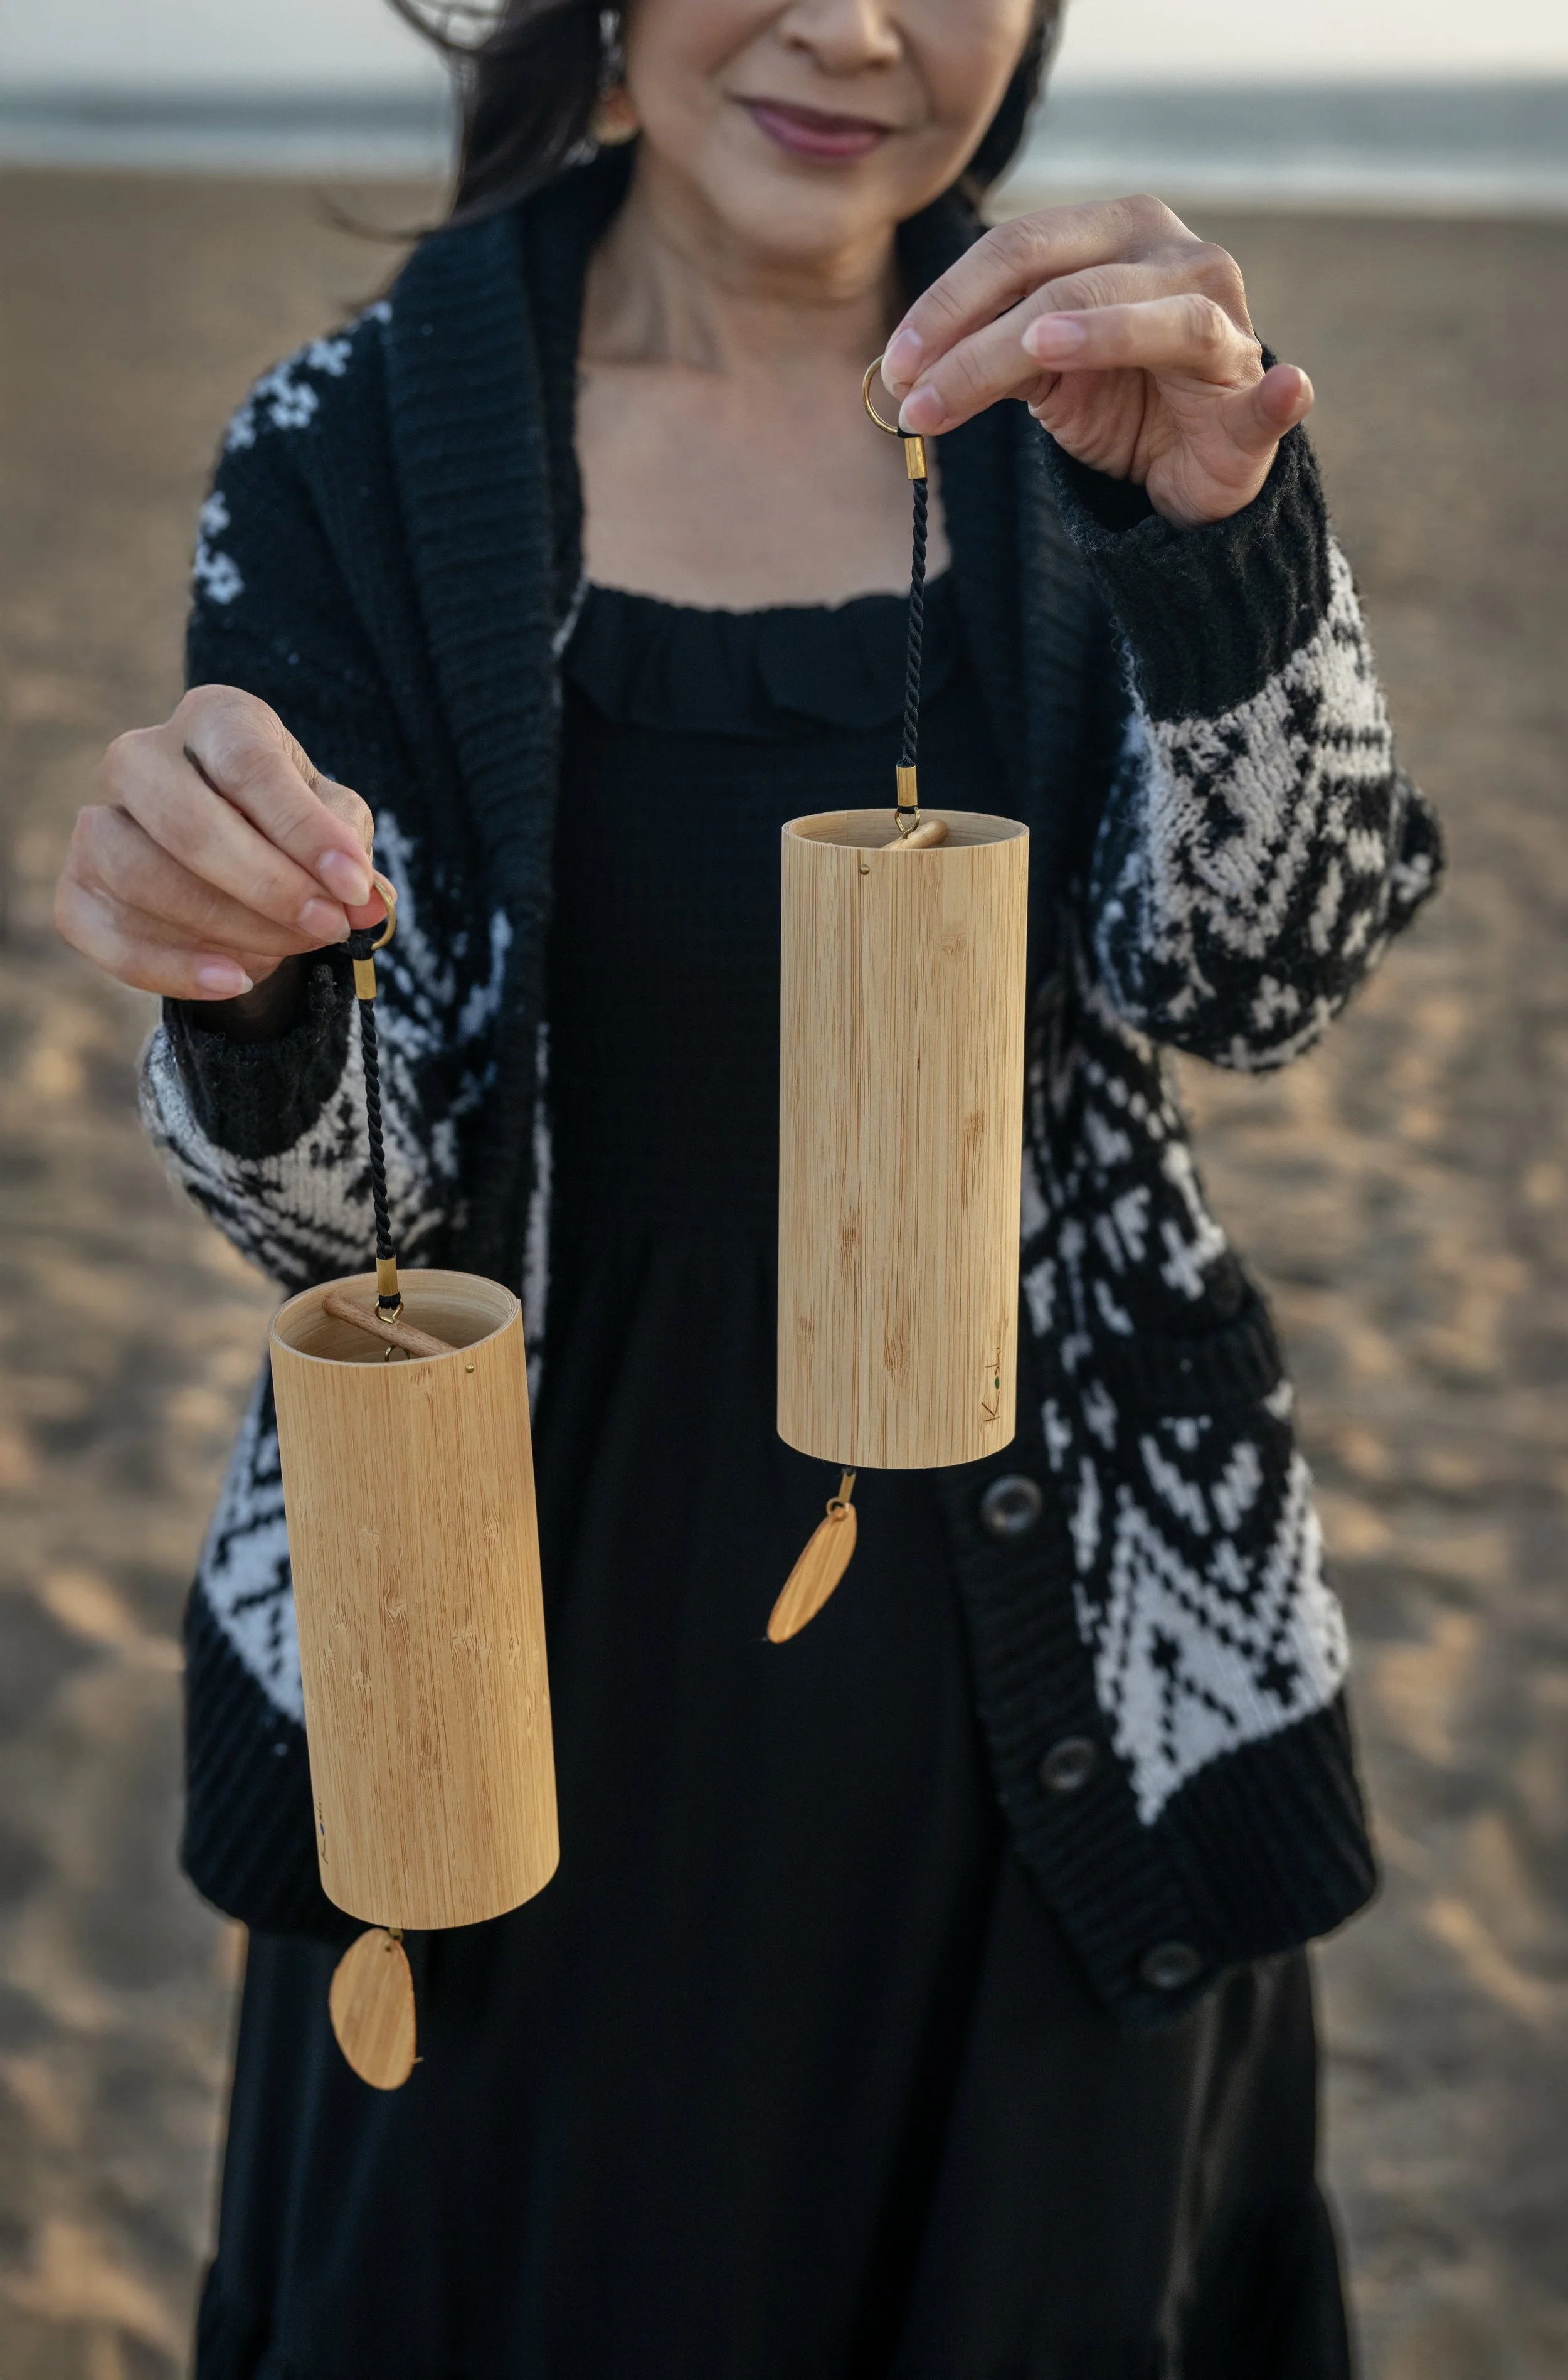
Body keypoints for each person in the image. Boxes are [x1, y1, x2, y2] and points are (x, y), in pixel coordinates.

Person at [55, 0, 1441, 2370]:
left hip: (1051, 1676)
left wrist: (1223, 553)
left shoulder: (1097, 391)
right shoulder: (352, 448)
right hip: (501, 1643)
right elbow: (341, 1214)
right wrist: (246, 992)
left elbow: (1257, 984)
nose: (851, 26)